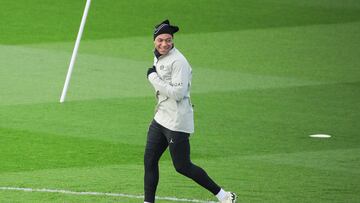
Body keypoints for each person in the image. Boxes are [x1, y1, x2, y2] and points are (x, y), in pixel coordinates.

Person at [144, 19, 237, 203]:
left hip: (177, 121)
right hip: (161, 117)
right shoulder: (159, 56)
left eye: (168, 40)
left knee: (182, 166)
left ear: (173, 41)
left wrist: (152, 77)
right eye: (161, 40)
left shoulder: (179, 62)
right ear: (154, 40)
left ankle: (224, 196)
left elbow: (178, 93)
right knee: (149, 160)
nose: (165, 44)